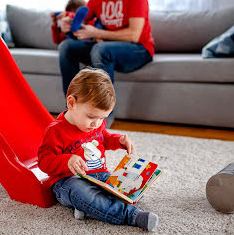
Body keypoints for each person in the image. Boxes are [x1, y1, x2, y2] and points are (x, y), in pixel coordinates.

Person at [38, 68, 159, 232]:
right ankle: (131, 216)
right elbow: (44, 162)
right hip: (69, 181)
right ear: (72, 103)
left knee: (129, 188)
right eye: (91, 117)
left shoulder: (97, 124)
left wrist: (119, 141)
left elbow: (104, 138)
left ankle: (88, 207)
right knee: (84, 194)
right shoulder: (55, 131)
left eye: (103, 118)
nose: (97, 123)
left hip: (99, 175)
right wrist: (67, 160)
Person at [58, 0, 154, 99]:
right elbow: (81, 18)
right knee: (66, 47)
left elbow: (134, 35)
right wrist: (67, 23)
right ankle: (73, 109)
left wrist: (96, 33)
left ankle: (101, 115)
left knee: (100, 48)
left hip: (138, 50)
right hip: (106, 48)